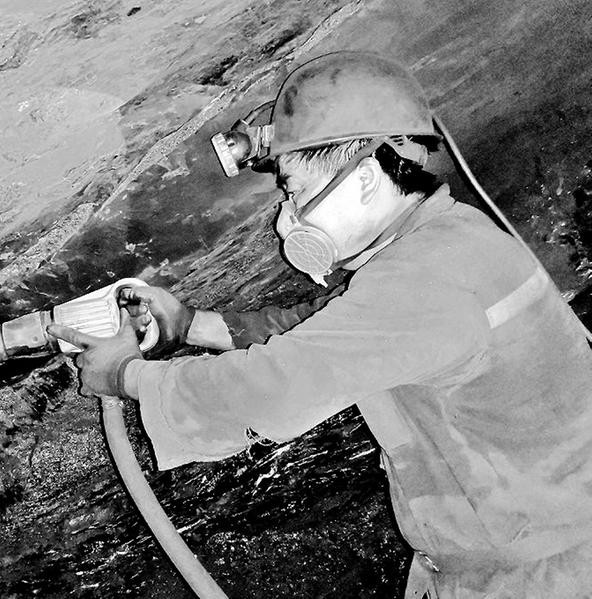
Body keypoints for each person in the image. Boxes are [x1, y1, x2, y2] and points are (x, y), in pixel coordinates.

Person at [47, 52, 592, 598]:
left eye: (295, 191)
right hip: (523, 553)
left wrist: (124, 375)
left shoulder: (427, 280)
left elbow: (275, 387)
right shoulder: (445, 242)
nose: (287, 220)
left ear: (366, 178)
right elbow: (329, 328)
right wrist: (190, 325)